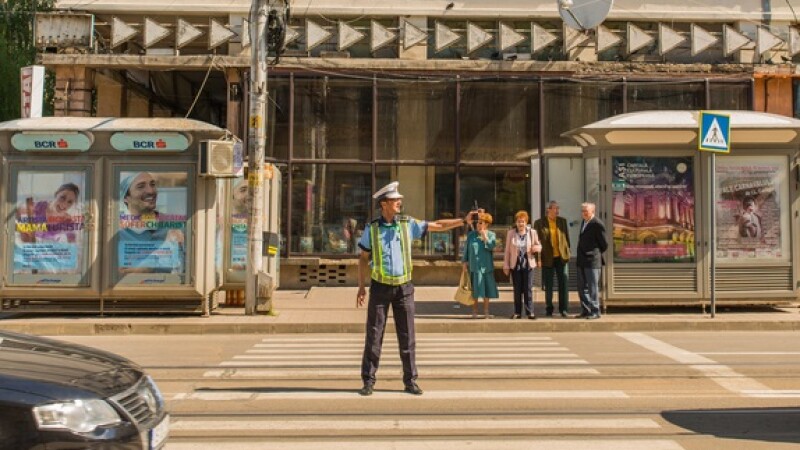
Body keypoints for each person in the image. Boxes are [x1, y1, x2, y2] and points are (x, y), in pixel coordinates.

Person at [356, 181, 465, 397]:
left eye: (399, 200)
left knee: (407, 337)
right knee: (374, 335)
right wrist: (361, 287)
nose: (399, 203)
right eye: (396, 200)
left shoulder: (407, 224)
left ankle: (410, 381)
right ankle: (368, 381)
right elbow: (363, 258)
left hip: (404, 288)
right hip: (379, 288)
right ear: (384, 204)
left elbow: (438, 226)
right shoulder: (373, 228)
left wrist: (463, 221)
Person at [118, 172, 185, 274]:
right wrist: (166, 248)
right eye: (141, 187)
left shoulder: (174, 226)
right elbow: (122, 276)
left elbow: (188, 270)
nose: (150, 191)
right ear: (126, 198)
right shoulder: (116, 231)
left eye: (152, 185)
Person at [533, 201, 571, 317]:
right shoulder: (539, 223)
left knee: (563, 283)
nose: (557, 211)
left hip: (561, 257)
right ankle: (549, 308)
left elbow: (566, 238)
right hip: (547, 258)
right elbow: (536, 242)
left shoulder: (562, 221)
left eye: (558, 208)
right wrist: (538, 259)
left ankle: (563, 309)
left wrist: (568, 252)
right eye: (555, 208)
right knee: (548, 285)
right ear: (548, 210)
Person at [503, 210, 542, 319]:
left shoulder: (532, 232)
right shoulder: (511, 233)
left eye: (523, 222)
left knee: (528, 288)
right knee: (517, 289)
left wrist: (536, 248)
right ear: (516, 222)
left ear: (526, 223)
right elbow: (507, 251)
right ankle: (517, 312)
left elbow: (539, 246)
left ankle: (530, 312)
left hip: (528, 263)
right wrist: (506, 265)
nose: (521, 224)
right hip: (515, 264)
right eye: (519, 221)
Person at [462, 212, 499, 319]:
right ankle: (474, 311)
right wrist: (464, 262)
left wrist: (485, 237)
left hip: (486, 266)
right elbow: (467, 249)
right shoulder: (471, 235)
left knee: (486, 290)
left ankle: (486, 311)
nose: (478, 225)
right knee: (475, 290)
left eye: (481, 223)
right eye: (477, 223)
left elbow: (492, 246)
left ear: (486, 224)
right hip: (474, 266)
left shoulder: (491, 235)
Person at [17, 183, 81, 244]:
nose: (64, 204)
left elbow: (72, 245)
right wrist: (22, 232)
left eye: (70, 202)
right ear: (56, 193)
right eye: (62, 197)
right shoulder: (39, 206)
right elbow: (17, 211)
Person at [576, 202, 608, 320]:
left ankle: (595, 311)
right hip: (582, 260)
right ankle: (586, 309)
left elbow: (604, 244)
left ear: (592, 211)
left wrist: (594, 253)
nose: (583, 213)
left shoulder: (597, 224)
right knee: (581, 287)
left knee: (592, 287)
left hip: (592, 261)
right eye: (582, 211)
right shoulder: (584, 222)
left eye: (586, 211)